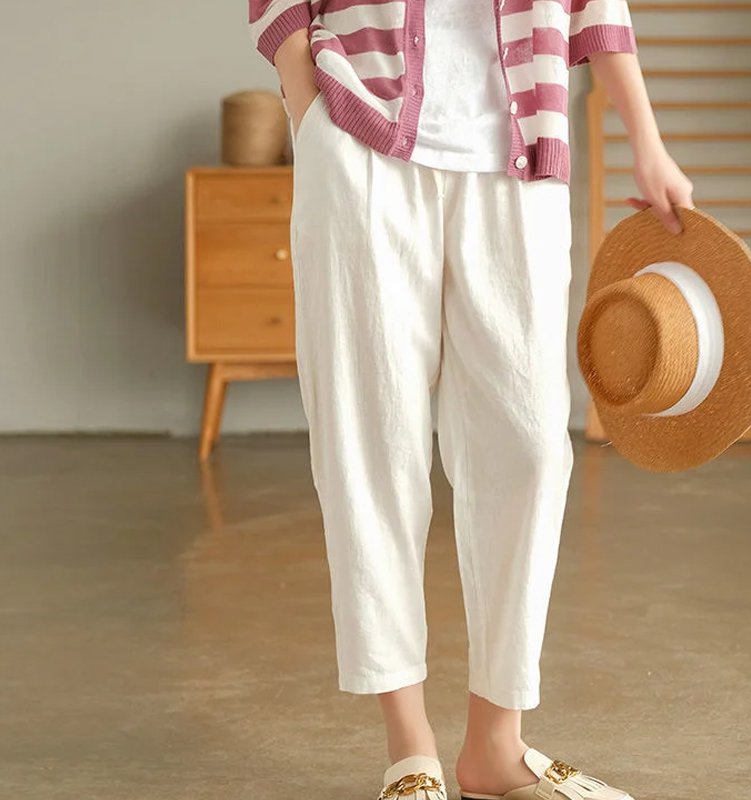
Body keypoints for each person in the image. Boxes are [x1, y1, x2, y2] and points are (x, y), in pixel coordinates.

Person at [249, 1, 694, 798]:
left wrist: (647, 140)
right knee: (369, 441)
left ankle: (494, 746)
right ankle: (409, 747)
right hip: (360, 139)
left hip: (519, 154)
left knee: (530, 447)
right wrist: (306, 108)